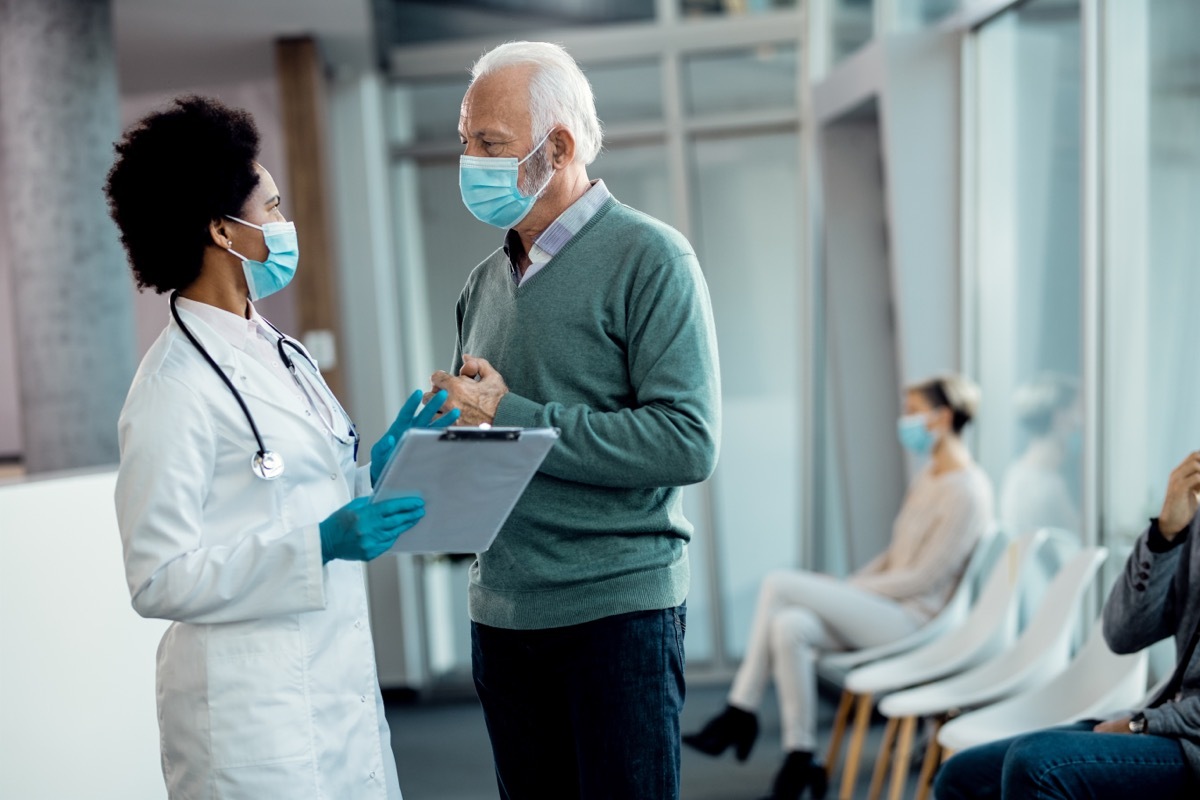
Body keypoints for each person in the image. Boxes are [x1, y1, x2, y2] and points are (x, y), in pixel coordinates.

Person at [106, 95, 456, 799]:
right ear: (221, 231)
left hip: (333, 690)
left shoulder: (279, 351)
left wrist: (371, 477)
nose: (283, 223)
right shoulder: (172, 387)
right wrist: (318, 545)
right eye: (269, 208)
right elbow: (157, 576)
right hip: (251, 719)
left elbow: (293, 494)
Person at [428, 41, 721, 800]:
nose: (470, 161)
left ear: (556, 147)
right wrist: (437, 456)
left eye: (489, 145)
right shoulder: (481, 284)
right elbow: (496, 444)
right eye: (465, 142)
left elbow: (687, 440)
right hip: (503, 614)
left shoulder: (652, 258)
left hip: (617, 613)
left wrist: (509, 413)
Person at [684, 374, 993, 800]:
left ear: (943, 416)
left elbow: (923, 579)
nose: (905, 421)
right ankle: (800, 758)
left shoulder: (968, 491)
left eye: (913, 412)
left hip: (917, 621)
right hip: (888, 609)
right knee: (789, 624)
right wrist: (847, 589)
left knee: (779, 583)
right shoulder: (931, 477)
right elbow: (894, 557)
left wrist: (851, 593)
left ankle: (740, 712)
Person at [932, 452, 1200, 799]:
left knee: (1038, 766)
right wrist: (1165, 535)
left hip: (1187, 741)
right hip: (1164, 719)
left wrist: (1144, 725)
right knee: (961, 775)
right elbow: (1122, 634)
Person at [999, 373, 1081, 537]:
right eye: (1080, 410)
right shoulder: (1046, 487)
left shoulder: (1017, 472)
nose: (1084, 421)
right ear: (1060, 417)